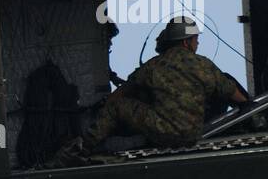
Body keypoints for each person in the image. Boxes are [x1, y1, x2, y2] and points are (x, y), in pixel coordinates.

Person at [63, 16, 248, 160]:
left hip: (161, 131)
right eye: (195, 39)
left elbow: (123, 92)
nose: (197, 43)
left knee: (116, 108)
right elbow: (233, 93)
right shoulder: (204, 65)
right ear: (186, 42)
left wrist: (105, 106)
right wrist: (249, 107)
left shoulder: (154, 65)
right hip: (194, 133)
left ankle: (83, 148)